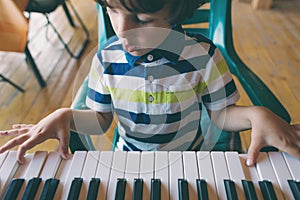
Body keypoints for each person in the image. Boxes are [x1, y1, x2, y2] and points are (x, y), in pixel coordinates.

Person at [0, 0, 299, 166]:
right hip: (129, 163)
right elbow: (102, 120)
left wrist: (255, 114)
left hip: (191, 160)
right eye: (112, 10)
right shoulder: (107, 59)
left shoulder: (203, 55)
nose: (123, 30)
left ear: (179, 12)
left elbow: (222, 113)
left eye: (143, 19)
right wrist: (66, 116)